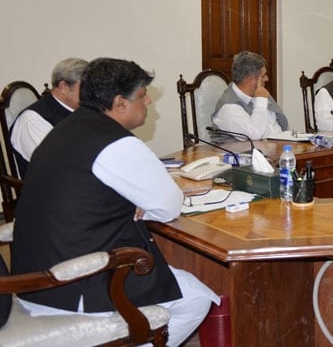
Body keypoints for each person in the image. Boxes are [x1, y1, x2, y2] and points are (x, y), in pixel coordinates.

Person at [11, 58, 219, 346]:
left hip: (34, 273)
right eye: (143, 95)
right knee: (197, 298)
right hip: (74, 281)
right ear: (120, 103)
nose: (148, 101)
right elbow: (169, 206)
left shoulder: (64, 129)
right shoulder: (116, 142)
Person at [10, 57, 87, 177]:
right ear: (63, 87)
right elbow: (56, 167)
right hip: (51, 192)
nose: (92, 94)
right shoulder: (32, 120)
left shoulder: (83, 112)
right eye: (85, 88)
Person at [212, 51, 288, 140]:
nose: (267, 79)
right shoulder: (228, 108)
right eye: (263, 76)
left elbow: (276, 127)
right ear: (251, 80)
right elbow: (254, 135)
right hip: (243, 153)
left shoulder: (259, 92)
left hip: (276, 149)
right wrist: (260, 101)